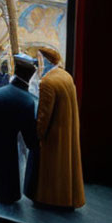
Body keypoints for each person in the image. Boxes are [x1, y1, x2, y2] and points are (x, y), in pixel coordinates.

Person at [0, 53, 39, 203]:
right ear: (30, 76)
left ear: (15, 71)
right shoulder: (28, 102)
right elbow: (31, 141)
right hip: (14, 163)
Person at [30, 45, 85, 208]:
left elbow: (43, 116)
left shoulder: (47, 82)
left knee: (53, 169)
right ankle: (66, 200)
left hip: (54, 135)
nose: (38, 64)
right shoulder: (65, 75)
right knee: (66, 167)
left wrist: (37, 135)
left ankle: (51, 200)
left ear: (45, 61)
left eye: (40, 59)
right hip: (66, 130)